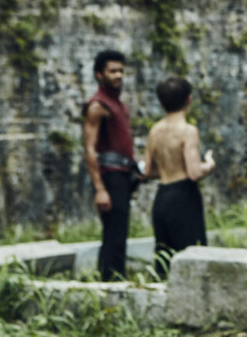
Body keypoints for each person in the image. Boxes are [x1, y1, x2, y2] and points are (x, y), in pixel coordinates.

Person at [143, 75, 216, 277]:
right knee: (191, 257)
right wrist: (208, 165)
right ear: (188, 100)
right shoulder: (188, 131)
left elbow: (148, 171)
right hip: (183, 197)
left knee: (164, 258)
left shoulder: (155, 131)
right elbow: (193, 173)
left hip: (162, 197)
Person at [82, 49, 136, 281]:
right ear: (99, 74)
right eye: (112, 71)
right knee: (113, 233)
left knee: (120, 232)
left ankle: (115, 279)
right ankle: (110, 283)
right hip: (109, 177)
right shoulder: (97, 105)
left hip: (123, 175)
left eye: (121, 71)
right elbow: (90, 148)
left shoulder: (118, 105)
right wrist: (99, 188)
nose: (118, 75)